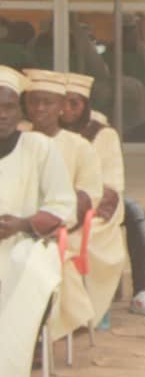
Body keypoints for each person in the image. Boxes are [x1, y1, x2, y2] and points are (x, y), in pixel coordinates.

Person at [61, 73, 145, 319]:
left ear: (85, 105)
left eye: (74, 103)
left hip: (95, 200)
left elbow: (110, 183)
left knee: (135, 212)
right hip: (58, 202)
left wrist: (87, 208)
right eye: (62, 103)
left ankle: (141, 291)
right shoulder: (48, 132)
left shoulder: (101, 133)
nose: (67, 110)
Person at [0, 66, 76, 377]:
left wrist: (21, 223)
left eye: (8, 106)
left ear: (20, 110)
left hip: (26, 242)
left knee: (23, 271)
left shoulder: (38, 147)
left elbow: (63, 204)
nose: (1, 114)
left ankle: (10, 375)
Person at [22, 69, 101, 340]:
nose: (40, 109)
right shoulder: (16, 141)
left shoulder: (79, 147)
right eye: (34, 102)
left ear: (61, 106)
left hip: (64, 232)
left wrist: (51, 224)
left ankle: (35, 337)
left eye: (48, 102)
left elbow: (86, 196)